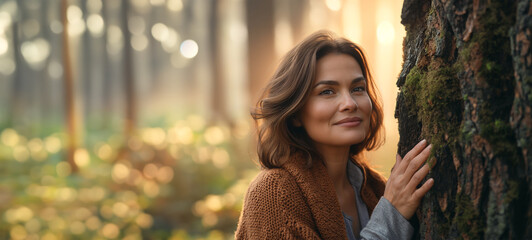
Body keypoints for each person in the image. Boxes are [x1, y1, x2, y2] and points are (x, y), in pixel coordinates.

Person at [235, 30, 435, 239]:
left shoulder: (375, 188)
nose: (350, 103)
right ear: (295, 113)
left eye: (358, 88)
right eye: (327, 91)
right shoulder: (273, 193)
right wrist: (391, 216)